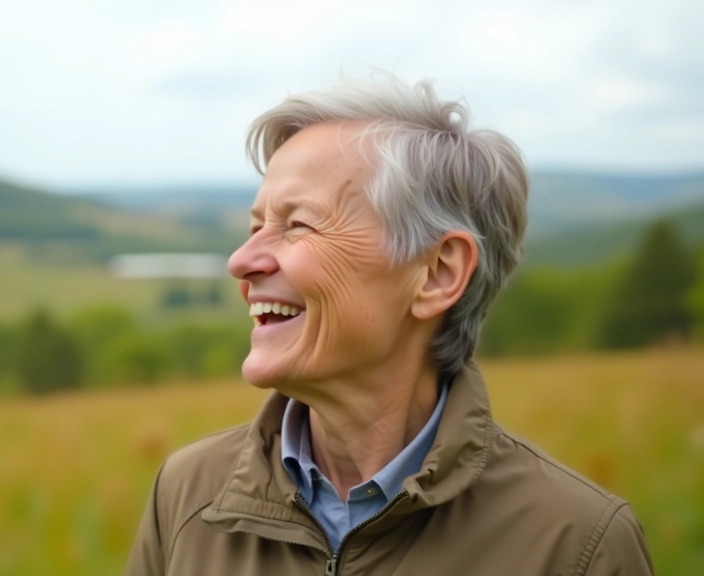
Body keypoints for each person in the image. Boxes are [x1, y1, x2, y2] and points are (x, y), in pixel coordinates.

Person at [126, 76, 653, 575]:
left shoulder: (579, 546)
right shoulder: (187, 495)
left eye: (298, 225)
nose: (241, 260)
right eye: (256, 226)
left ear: (438, 273)